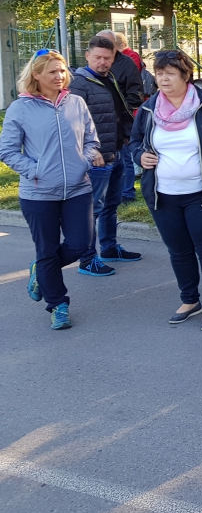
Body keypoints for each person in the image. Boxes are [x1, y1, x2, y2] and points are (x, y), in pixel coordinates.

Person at [130, 50, 202, 331]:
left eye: (170, 73)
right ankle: (190, 300)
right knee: (178, 250)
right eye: (159, 73)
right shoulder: (149, 108)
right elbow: (135, 141)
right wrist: (140, 156)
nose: (163, 78)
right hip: (163, 194)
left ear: (185, 75)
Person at [0, 50, 102, 330]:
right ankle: (58, 305)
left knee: (80, 244)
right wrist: (36, 171)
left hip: (78, 189)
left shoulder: (76, 102)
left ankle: (41, 270)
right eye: (52, 71)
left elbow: (92, 140)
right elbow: (7, 151)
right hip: (38, 193)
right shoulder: (20, 108)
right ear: (36, 75)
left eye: (62, 70)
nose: (59, 76)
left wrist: (83, 161)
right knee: (46, 250)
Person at [69, 34, 142, 277]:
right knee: (92, 209)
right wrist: (91, 151)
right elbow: (73, 124)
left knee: (112, 204)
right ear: (87, 56)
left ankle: (109, 247)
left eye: (107, 58)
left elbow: (118, 112)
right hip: (96, 158)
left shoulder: (109, 78)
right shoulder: (79, 83)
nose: (103, 62)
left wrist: (127, 135)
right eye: (98, 57)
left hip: (116, 151)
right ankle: (87, 259)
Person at [96, 29, 143, 204]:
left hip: (121, 119)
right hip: (100, 120)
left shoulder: (126, 63)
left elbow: (136, 92)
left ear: (115, 45)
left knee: (125, 157)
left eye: (107, 44)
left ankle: (127, 192)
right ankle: (107, 192)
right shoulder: (96, 64)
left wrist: (124, 110)